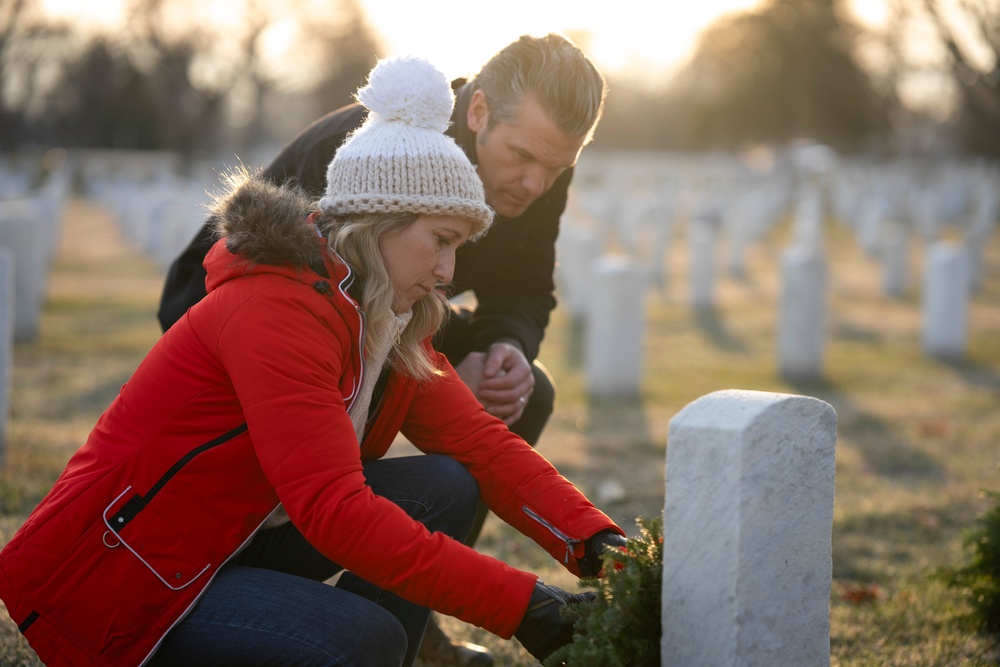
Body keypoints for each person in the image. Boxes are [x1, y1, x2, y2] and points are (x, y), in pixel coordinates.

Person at [0, 56, 626, 667]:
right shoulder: (278, 311)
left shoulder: (384, 314)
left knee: (447, 485)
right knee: (362, 639)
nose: (448, 272)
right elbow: (336, 511)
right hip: (118, 577)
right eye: (441, 241)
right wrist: (527, 608)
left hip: (237, 532)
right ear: (378, 223)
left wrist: (603, 547)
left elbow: (481, 444)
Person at [158, 36, 607, 663]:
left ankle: (411, 611)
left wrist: (603, 547)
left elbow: (520, 289)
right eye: (524, 157)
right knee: (361, 614)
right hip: (261, 326)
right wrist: (523, 605)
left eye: (556, 169)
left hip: (385, 308)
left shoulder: (533, 164)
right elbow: (312, 280)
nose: (537, 183)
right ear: (479, 112)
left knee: (489, 432)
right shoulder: (366, 150)